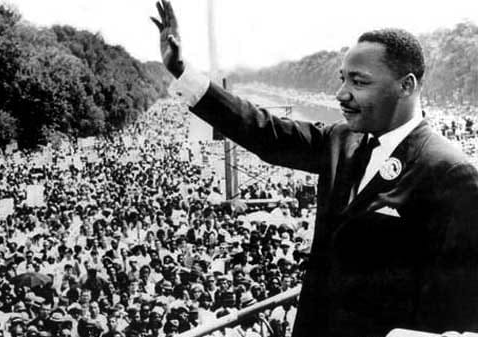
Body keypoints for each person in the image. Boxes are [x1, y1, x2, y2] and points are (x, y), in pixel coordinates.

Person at [151, 1, 478, 336]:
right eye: (342, 79)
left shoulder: (451, 173)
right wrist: (182, 72)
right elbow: (264, 132)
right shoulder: (342, 140)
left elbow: (466, 310)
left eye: (359, 82)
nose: (341, 94)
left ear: (406, 86)